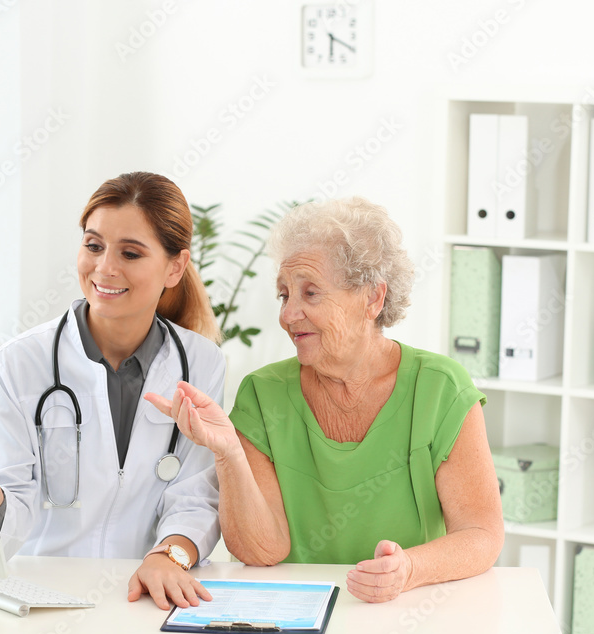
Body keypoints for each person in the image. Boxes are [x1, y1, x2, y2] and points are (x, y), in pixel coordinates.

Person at [147, 196, 504, 603]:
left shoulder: (440, 389)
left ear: (373, 299)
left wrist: (409, 569)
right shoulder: (263, 394)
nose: (288, 315)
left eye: (311, 293)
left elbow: (481, 533)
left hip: (406, 610)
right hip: (292, 613)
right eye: (284, 295)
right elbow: (261, 551)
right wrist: (227, 452)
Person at [0, 171, 225, 610]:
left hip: (142, 596)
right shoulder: (16, 364)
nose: (104, 267)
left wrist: (168, 557)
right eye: (93, 246)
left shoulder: (202, 363)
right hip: (38, 596)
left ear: (175, 267)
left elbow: (196, 496)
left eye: (130, 253)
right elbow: (9, 525)